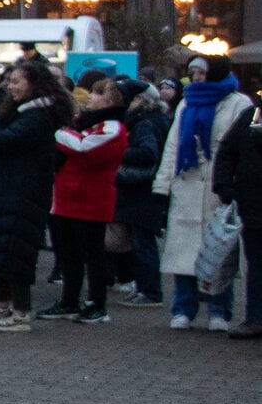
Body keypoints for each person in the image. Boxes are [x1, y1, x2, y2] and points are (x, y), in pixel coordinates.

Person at [0, 61, 68, 331]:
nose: (10, 86)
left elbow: (5, 139)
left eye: (16, 82)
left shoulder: (38, 115)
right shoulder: (22, 111)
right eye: (9, 81)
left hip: (22, 192)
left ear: (33, 84)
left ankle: (20, 312)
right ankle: (2, 305)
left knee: (16, 252)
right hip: (6, 189)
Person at [155, 57, 251, 330]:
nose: (195, 77)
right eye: (192, 72)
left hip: (217, 188)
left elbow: (238, 149)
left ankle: (219, 310)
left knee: (219, 252)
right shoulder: (186, 103)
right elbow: (173, 146)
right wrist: (162, 186)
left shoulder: (238, 104)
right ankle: (183, 308)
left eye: (201, 72)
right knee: (183, 254)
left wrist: (231, 183)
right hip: (186, 185)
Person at [43, 75, 126, 323]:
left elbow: (83, 147)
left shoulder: (112, 127)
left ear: (109, 100)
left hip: (91, 199)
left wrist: (57, 130)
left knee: (93, 255)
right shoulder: (84, 121)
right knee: (69, 254)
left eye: (97, 93)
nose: (90, 96)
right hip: (67, 197)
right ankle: (69, 301)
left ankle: (96, 304)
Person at [111, 79, 171, 306]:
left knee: (142, 243)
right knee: (140, 242)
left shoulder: (144, 123)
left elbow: (148, 153)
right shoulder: (149, 120)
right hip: (143, 191)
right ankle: (146, 289)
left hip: (142, 192)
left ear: (140, 101)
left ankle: (150, 291)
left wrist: (119, 150)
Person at [209, 96, 262, 338]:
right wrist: (223, 184)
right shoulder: (251, 116)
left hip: (251, 202)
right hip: (252, 204)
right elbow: (227, 151)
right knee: (257, 264)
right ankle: (255, 317)